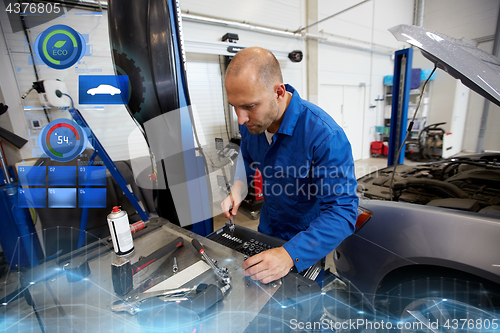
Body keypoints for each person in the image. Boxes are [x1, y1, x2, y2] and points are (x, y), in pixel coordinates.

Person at [221, 47, 358, 284]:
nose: (240, 119)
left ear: (278, 92)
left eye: (249, 106)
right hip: (267, 231)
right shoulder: (251, 126)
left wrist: (289, 255)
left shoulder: (325, 136)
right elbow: (247, 159)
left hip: (304, 245)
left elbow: (343, 211)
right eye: (234, 106)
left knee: (300, 313)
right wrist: (238, 188)